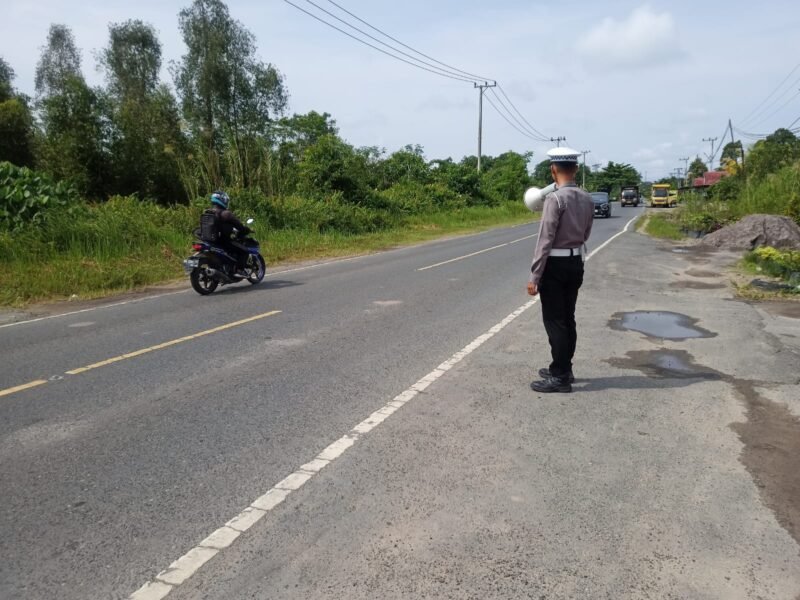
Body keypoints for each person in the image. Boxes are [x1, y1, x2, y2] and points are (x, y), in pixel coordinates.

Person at [526, 148, 594, 393]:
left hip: (554, 266)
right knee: (568, 318)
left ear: (553, 170)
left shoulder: (554, 200)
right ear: (575, 169)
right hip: (575, 262)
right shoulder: (586, 198)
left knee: (555, 321)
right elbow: (586, 233)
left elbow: (545, 240)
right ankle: (564, 366)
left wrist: (535, 275)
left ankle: (560, 376)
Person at [205, 191, 251, 275]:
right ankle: (239, 270)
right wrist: (246, 230)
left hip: (211, 241)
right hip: (224, 241)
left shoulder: (208, 212)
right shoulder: (226, 214)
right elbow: (239, 225)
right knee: (245, 251)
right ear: (222, 200)